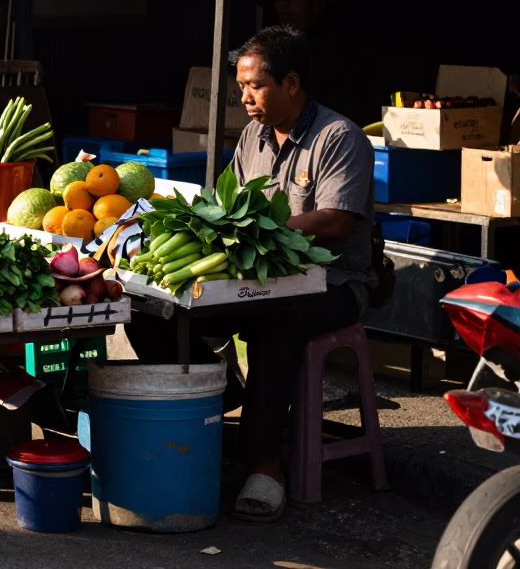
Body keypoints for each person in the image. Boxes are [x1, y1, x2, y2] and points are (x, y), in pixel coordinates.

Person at [126, 25, 375, 523]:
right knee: (148, 310)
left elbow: (335, 221)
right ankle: (227, 398)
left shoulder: (337, 136)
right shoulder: (251, 139)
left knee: (276, 322)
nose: (245, 98)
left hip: (335, 284)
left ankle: (266, 464)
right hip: (258, 277)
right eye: (241, 87)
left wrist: (257, 226)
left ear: (290, 84)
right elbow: (228, 208)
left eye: (254, 86)